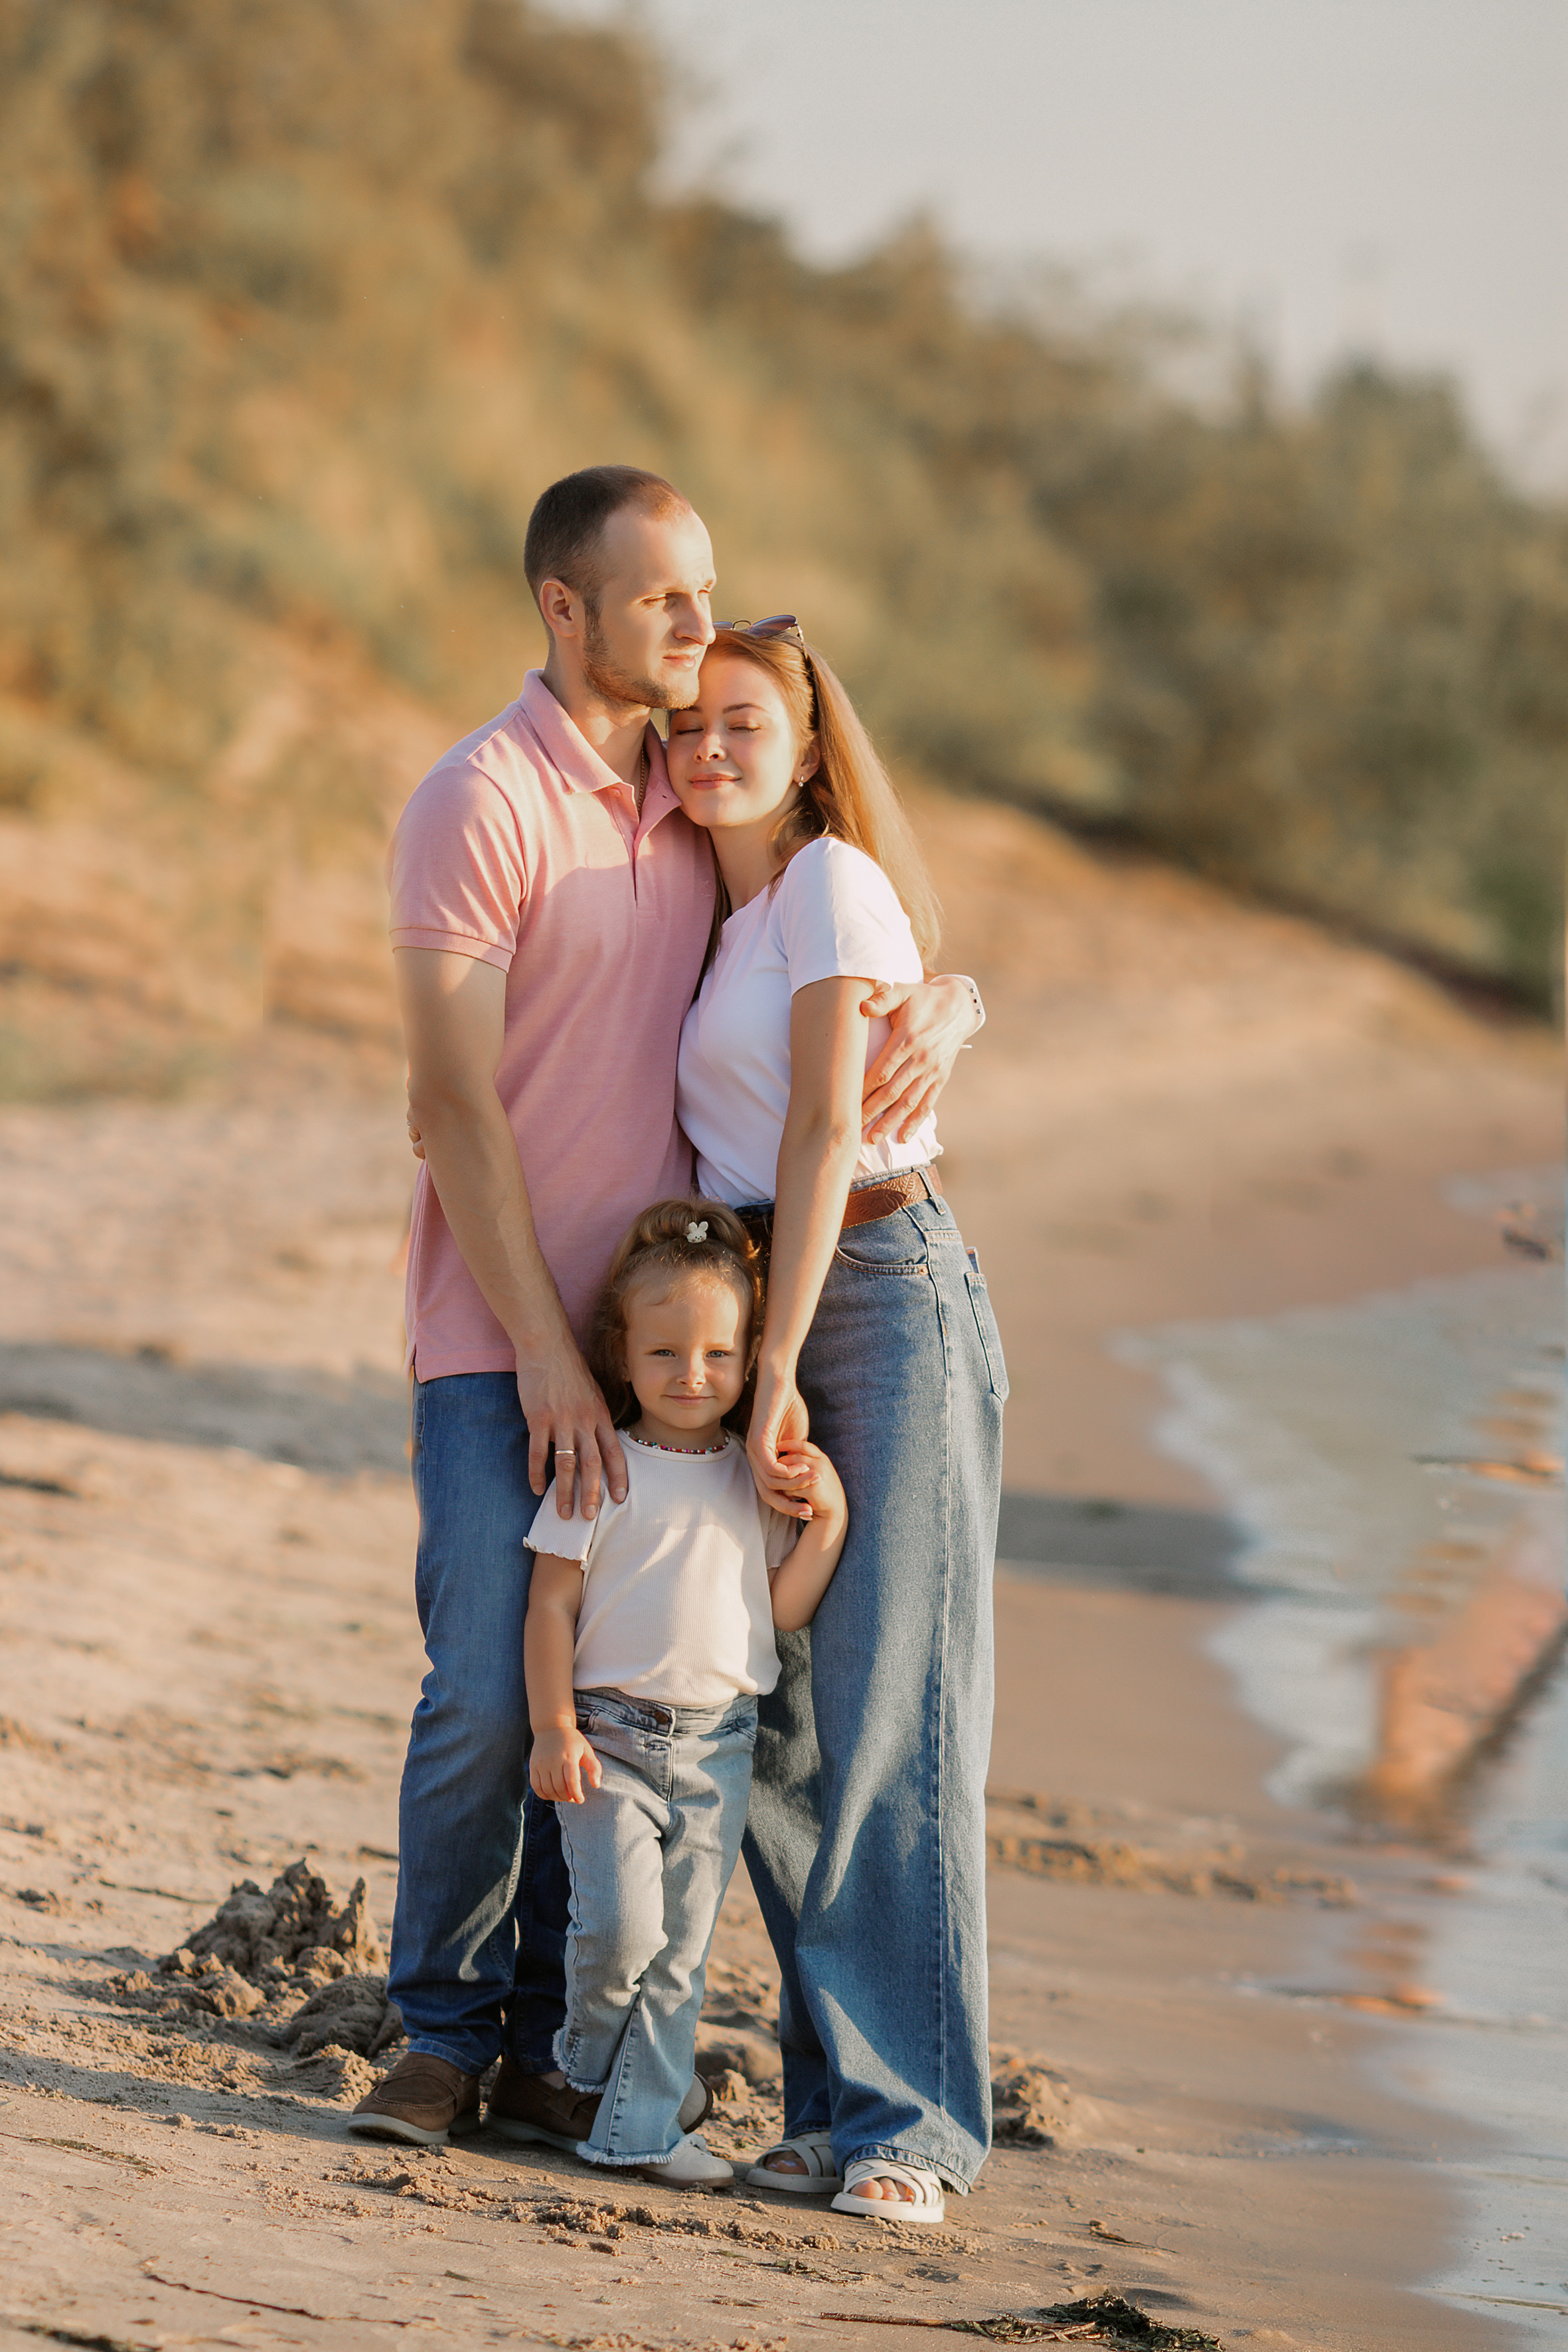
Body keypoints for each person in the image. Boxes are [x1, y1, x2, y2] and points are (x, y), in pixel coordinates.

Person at [349, 467, 983, 2148]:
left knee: (662, 1689)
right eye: (663, 602)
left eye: (705, 599)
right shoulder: (476, 802)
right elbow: (454, 1105)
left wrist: (952, 1001)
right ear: (564, 608)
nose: (697, 630)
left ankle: (569, 2053)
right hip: (511, 1338)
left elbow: (842, 906)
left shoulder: (688, 789)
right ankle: (436, 2033)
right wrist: (552, 1362)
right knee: (497, 1683)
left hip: (675, 1356)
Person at [665, 617, 1006, 2229]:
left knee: (890, 1711)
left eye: (744, 721)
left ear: (805, 749)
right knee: (783, 1717)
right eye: (690, 724)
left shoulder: (821, 885)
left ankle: (919, 2125)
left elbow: (817, 1125)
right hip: (773, 1300)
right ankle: (826, 2101)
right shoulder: (727, 919)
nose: (709, 745)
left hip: (873, 1292)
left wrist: (778, 1359)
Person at [519, 1200, 845, 2185]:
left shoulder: (754, 1483)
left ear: (751, 1359)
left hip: (721, 1744)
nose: (692, 1375)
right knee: (621, 1933)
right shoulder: (602, 1470)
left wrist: (823, 1519)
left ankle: (637, 2133)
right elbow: (548, 1607)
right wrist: (551, 1727)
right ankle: (579, 2066)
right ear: (622, 1357)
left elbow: (785, 1612)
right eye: (665, 1354)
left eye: (717, 1354)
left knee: (681, 1958)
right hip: (608, 1740)